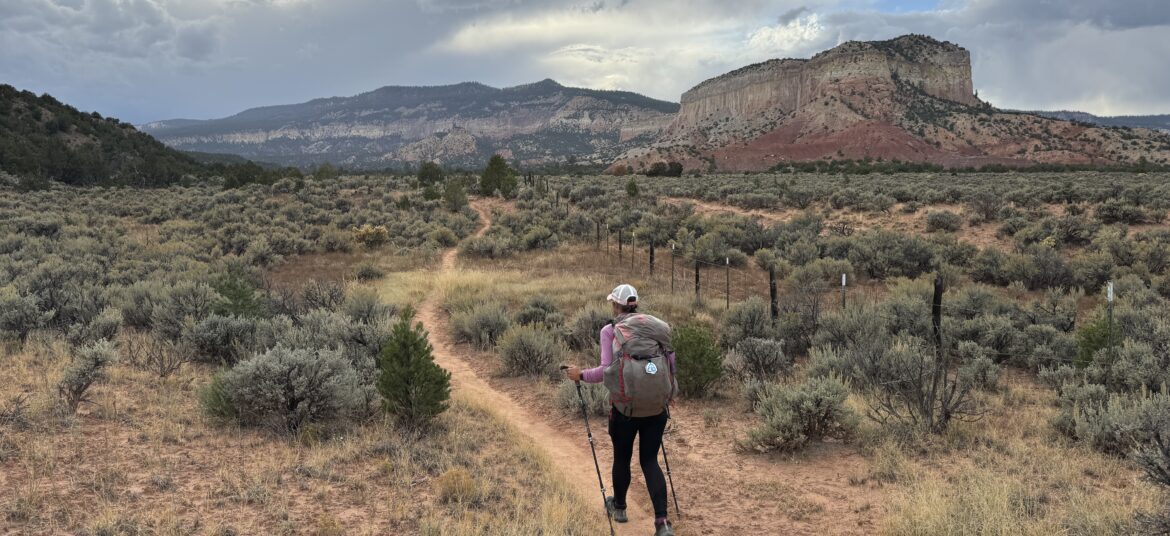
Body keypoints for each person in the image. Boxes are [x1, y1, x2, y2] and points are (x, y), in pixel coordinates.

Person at [565, 284, 677, 536]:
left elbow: (605, 372)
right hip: (656, 407)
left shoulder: (610, 330)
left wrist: (580, 374)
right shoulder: (654, 327)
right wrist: (670, 394)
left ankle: (620, 507)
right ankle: (662, 523)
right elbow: (670, 360)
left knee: (622, 457)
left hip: (624, 408)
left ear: (616, 306)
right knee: (650, 460)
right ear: (634, 304)